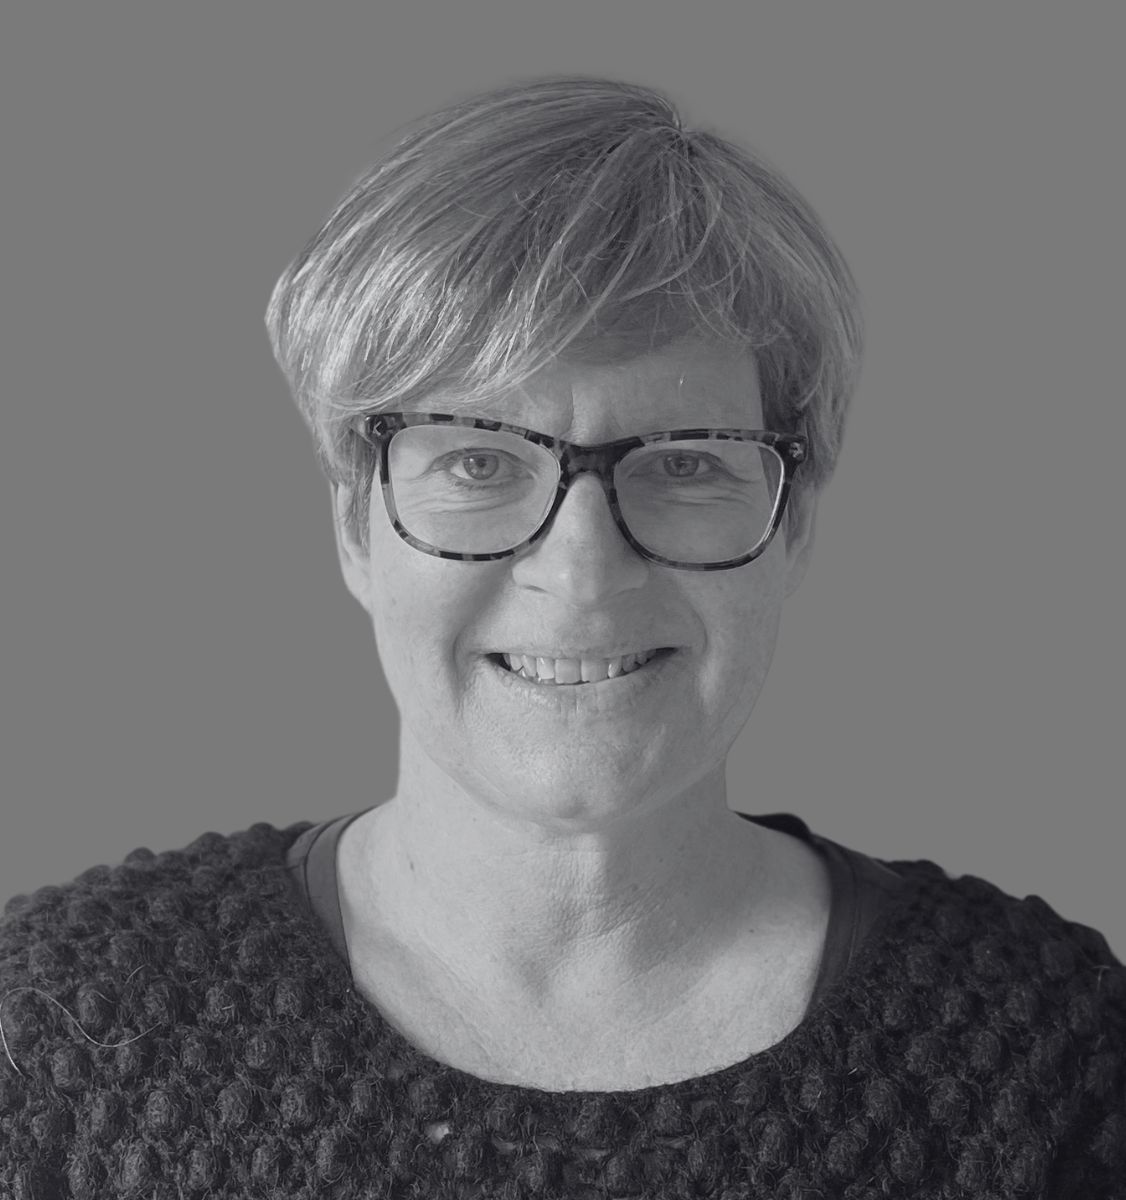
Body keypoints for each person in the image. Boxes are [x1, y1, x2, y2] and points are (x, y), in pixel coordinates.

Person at [2, 74, 1122, 1199]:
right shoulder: (51, 1035)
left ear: (793, 526)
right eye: (478, 461)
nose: (582, 573)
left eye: (684, 464)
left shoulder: (1055, 1057)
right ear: (354, 525)